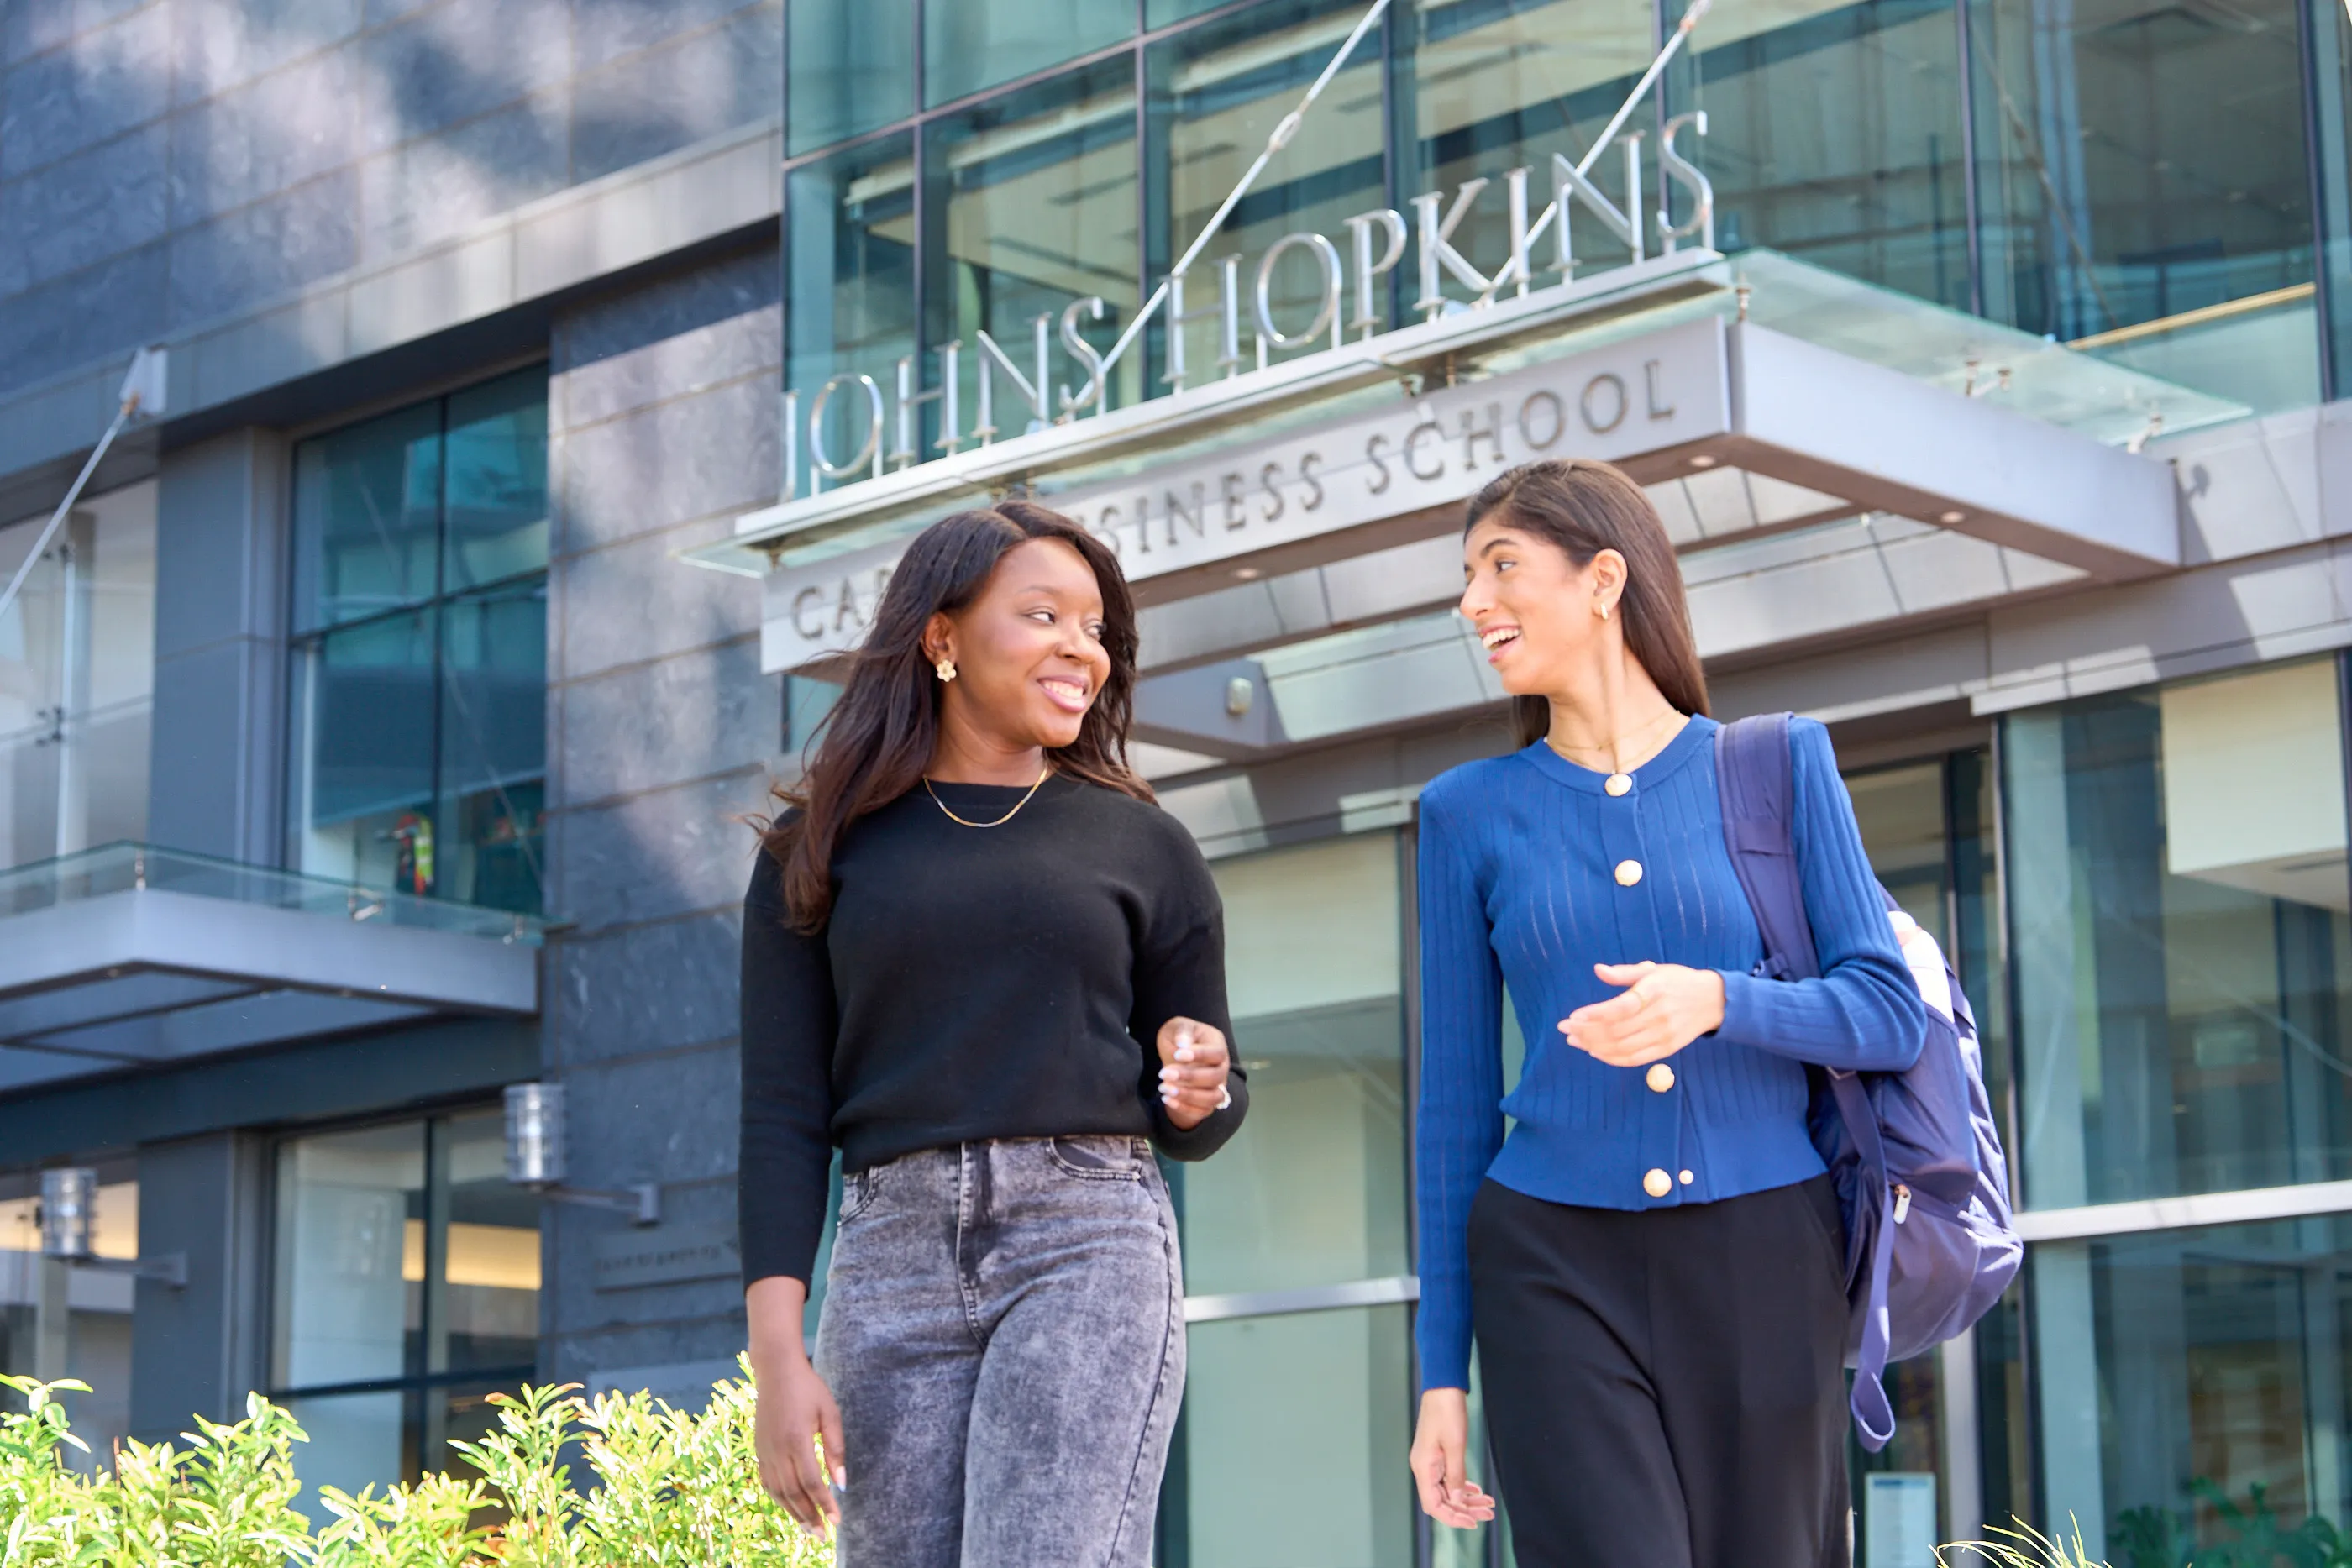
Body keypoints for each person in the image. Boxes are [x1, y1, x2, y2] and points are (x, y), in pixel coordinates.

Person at [1407, 458, 1926, 1566]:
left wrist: (1718, 1001)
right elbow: (1451, 1114)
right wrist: (1440, 1373)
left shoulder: (1777, 762)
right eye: (1465, 577)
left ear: (1604, 578)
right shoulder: (1465, 815)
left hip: (1763, 1247)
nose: (1471, 603)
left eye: (1501, 567)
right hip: (1550, 1258)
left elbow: (1889, 1012)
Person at [738, 500, 1247, 1568]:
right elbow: (783, 1111)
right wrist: (776, 1352)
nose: (1081, 649)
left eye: (1095, 628)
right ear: (941, 637)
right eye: (1044, 615)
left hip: (1086, 1241)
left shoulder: (1144, 842)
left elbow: (1203, 1092)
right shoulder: (818, 847)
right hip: (886, 1259)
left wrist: (1201, 1089)